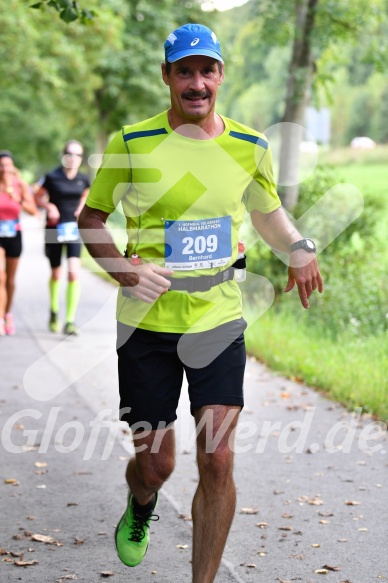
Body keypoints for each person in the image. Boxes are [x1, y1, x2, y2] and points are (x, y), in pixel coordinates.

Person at [78, 23, 323, 583]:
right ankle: (141, 503)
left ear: (219, 77)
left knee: (217, 457)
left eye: (206, 70)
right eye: (183, 71)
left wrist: (300, 247)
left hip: (217, 318)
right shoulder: (131, 143)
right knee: (157, 464)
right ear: (166, 77)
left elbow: (267, 215)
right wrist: (123, 270)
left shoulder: (248, 146)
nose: (196, 82)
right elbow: (91, 220)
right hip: (145, 325)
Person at [35, 140, 90, 335]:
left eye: (78, 155)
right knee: (56, 273)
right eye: (70, 153)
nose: (74, 158)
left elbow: (86, 194)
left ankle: (69, 321)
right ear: (64, 155)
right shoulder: (52, 177)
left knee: (73, 273)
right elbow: (37, 196)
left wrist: (82, 207)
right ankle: (54, 310)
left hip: (74, 229)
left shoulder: (83, 179)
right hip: (53, 229)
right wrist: (49, 207)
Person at [0, 150, 37, 336]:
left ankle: (7, 314)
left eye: (7, 165)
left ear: (12, 166)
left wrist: (18, 199)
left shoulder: (20, 185)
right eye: (1, 165)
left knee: (10, 280)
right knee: (0, 277)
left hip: (14, 234)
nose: (4, 168)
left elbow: (33, 211)